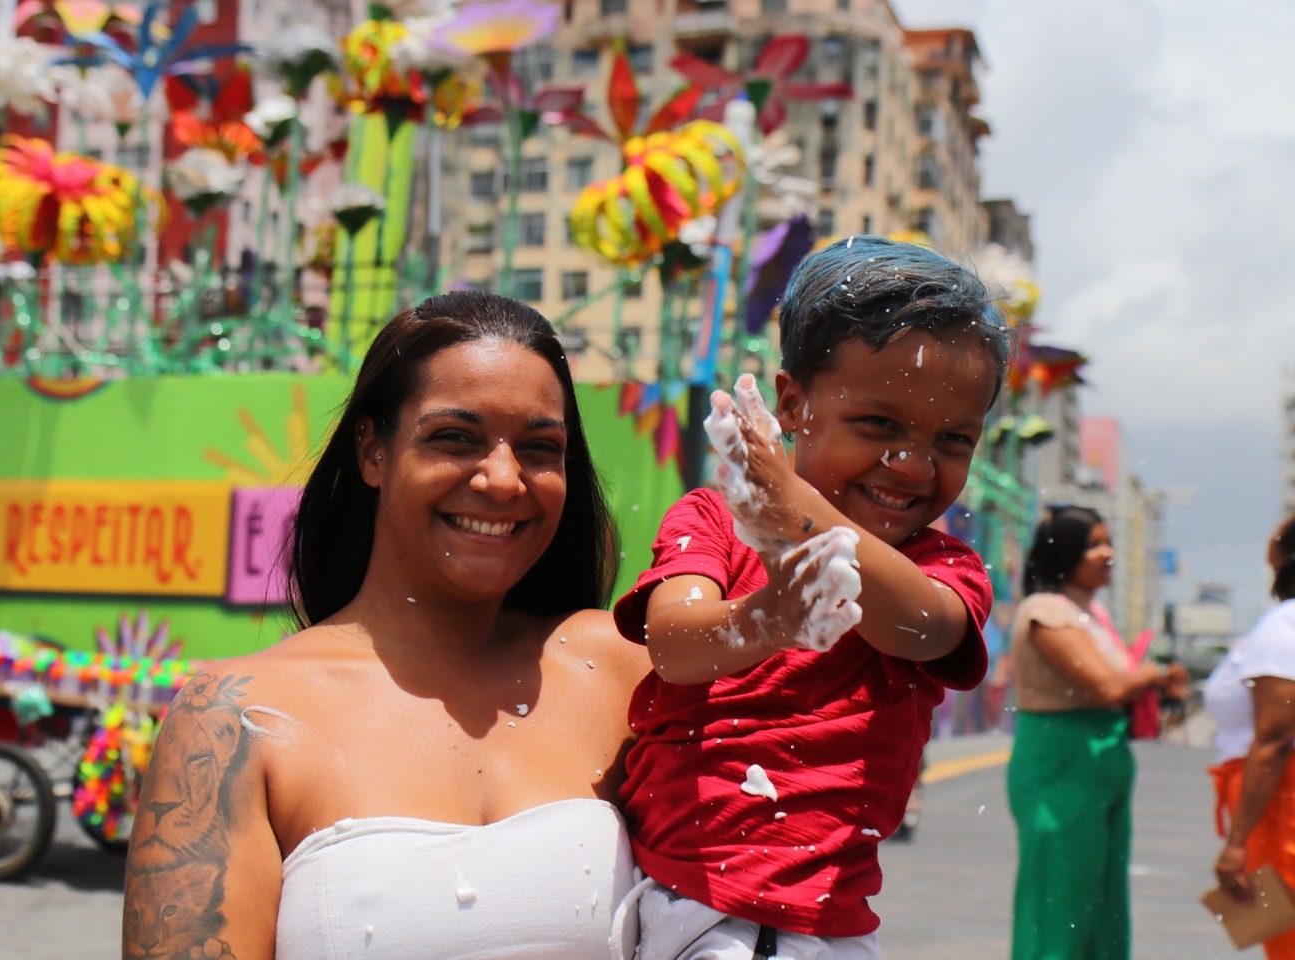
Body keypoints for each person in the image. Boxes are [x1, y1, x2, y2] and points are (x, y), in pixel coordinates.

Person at [122, 291, 651, 960]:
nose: (503, 479)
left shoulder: (622, 670)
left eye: (540, 448)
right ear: (372, 449)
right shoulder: (235, 717)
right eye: (455, 438)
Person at [611, 235, 1011, 959]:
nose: (913, 464)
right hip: (666, 896)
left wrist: (793, 509)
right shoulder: (713, 520)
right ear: (793, 403)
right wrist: (769, 617)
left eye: (954, 439)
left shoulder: (938, 568)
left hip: (801, 924)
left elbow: (922, 628)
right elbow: (673, 646)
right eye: (880, 425)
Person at [1005, 504, 1185, 960]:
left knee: (1102, 908)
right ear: (1065, 552)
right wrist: (1154, 674)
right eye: (1094, 545)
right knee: (1058, 904)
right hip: (1063, 763)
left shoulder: (1091, 613)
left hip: (1098, 764)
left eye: (1109, 543)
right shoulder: (1046, 610)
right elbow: (1108, 687)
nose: (1108, 554)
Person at [1208, 511, 1295, 958]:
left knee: (1287, 939)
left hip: (1279, 805)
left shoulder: (1285, 626)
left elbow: (1275, 741)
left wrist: (1236, 842)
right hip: (1275, 800)